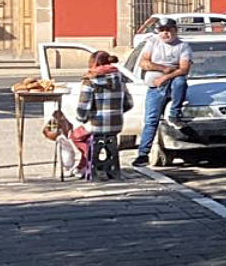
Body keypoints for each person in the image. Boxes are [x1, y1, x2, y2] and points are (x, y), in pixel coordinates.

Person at [135, 19, 192, 163]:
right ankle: (143, 154)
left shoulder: (183, 46)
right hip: (155, 86)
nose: (165, 33)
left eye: (168, 30)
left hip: (173, 81)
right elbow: (143, 63)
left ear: (175, 30)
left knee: (180, 82)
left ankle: (174, 113)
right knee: (150, 120)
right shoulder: (152, 42)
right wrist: (162, 69)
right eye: (161, 30)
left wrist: (166, 77)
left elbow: (184, 69)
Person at [75, 50, 129, 180]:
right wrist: (115, 112)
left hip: (97, 124)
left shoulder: (90, 80)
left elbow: (83, 106)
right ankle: (107, 167)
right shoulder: (120, 78)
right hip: (116, 124)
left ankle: (87, 163)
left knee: (76, 136)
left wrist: (81, 119)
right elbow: (128, 103)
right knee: (102, 138)